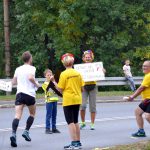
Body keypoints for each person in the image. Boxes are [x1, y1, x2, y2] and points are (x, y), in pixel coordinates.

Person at [51, 53, 84, 150]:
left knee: (70, 122)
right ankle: (78, 142)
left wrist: (53, 82)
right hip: (77, 98)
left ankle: (74, 143)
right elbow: (82, 88)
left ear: (63, 63)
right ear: (72, 62)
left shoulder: (63, 74)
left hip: (68, 99)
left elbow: (60, 89)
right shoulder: (78, 73)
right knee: (76, 121)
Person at [10, 51, 40, 147]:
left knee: (17, 115)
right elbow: (30, 77)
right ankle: (26, 131)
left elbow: (14, 82)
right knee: (32, 113)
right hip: (29, 94)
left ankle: (13, 134)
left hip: (19, 93)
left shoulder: (18, 69)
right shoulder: (32, 68)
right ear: (30, 59)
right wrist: (36, 84)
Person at [80, 50, 105, 130]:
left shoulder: (95, 66)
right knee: (82, 105)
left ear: (91, 58)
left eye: (89, 57)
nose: (87, 58)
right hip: (84, 87)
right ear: (83, 58)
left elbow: (102, 72)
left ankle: (92, 124)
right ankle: (83, 123)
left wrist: (103, 71)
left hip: (93, 86)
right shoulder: (80, 67)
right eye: (86, 57)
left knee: (93, 107)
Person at [127, 60, 150, 137]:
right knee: (137, 112)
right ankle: (141, 131)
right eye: (143, 65)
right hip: (147, 100)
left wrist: (132, 97)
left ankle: (141, 131)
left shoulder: (148, 76)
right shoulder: (147, 75)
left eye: (146, 66)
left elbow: (141, 88)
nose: (143, 67)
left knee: (147, 116)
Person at [42, 69, 61, 134]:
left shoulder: (54, 82)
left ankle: (54, 128)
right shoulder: (45, 84)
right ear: (45, 76)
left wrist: (54, 82)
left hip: (55, 100)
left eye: (50, 75)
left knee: (54, 115)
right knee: (49, 115)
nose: (49, 76)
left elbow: (58, 88)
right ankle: (47, 128)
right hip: (49, 101)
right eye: (48, 75)